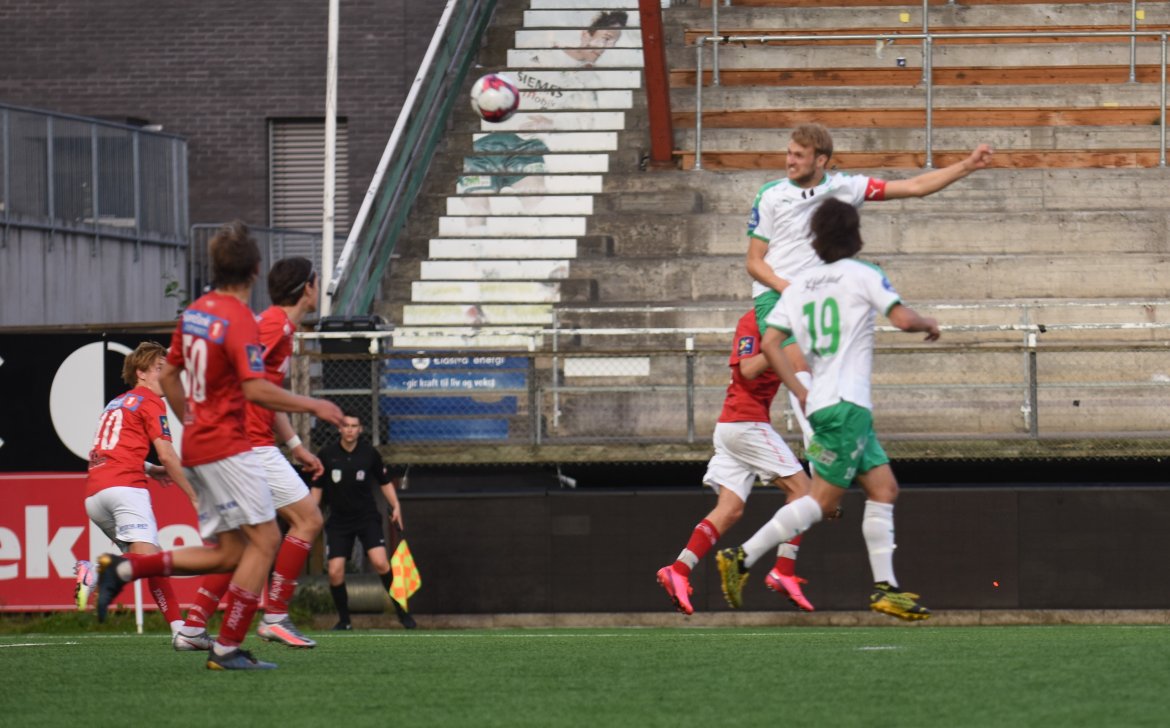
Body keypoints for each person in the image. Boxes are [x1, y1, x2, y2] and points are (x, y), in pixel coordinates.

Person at [94, 221, 344, 670]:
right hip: (229, 445)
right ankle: (231, 644)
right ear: (254, 271)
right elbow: (254, 388)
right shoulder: (242, 319)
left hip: (199, 444)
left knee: (231, 552)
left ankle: (126, 569)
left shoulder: (194, 313)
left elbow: (171, 374)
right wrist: (315, 405)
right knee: (267, 540)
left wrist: (190, 418)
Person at [718, 198, 940, 621]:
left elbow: (770, 343)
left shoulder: (798, 286)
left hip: (824, 403)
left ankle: (886, 588)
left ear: (815, 240)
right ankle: (742, 557)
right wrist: (928, 322)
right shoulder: (863, 274)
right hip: (846, 405)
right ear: (855, 236)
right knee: (819, 501)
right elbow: (902, 319)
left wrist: (797, 389)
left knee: (884, 489)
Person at [747, 123, 992, 444]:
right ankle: (823, 448)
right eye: (789, 153)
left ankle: (826, 459)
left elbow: (915, 186)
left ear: (820, 160)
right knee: (801, 368)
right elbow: (754, 262)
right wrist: (786, 288)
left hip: (821, 296)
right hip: (778, 295)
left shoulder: (847, 187)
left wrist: (967, 166)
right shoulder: (771, 194)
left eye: (798, 155)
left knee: (826, 381)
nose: (789, 161)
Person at [172, 256, 327, 651]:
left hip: (251, 444)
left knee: (240, 547)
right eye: (317, 281)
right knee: (308, 519)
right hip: (249, 446)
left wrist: (296, 446)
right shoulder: (273, 325)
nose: (320, 288)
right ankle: (274, 616)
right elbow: (246, 383)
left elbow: (263, 392)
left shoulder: (282, 327)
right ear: (307, 288)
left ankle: (193, 627)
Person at [656, 311, 816, 616]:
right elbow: (747, 369)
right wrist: (775, 348)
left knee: (729, 510)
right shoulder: (755, 320)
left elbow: (801, 371)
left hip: (735, 425)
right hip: (746, 424)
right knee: (804, 493)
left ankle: (678, 570)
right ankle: (783, 569)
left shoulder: (791, 321)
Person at [77, 341, 197, 635]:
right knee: (149, 559)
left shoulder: (116, 403)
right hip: (125, 490)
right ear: (140, 373)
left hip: (95, 495)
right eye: (159, 368)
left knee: (152, 559)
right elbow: (167, 454)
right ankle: (96, 572)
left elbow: (111, 449)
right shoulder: (151, 400)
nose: (166, 375)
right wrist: (194, 496)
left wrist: (151, 469)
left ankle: (179, 629)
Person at [311, 415, 414, 631]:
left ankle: (402, 613)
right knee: (335, 571)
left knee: (381, 563)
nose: (350, 430)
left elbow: (384, 482)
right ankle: (344, 621)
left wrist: (396, 506)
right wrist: (311, 514)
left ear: (360, 429)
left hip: (366, 517)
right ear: (339, 429)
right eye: (346, 426)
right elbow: (317, 488)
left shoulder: (369, 454)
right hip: (339, 520)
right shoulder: (327, 455)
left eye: (354, 426)